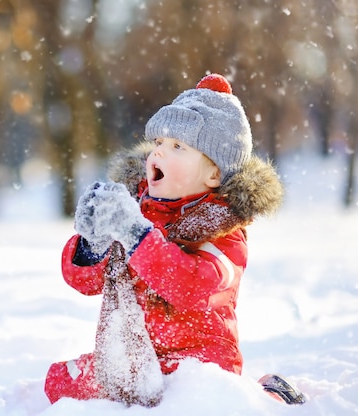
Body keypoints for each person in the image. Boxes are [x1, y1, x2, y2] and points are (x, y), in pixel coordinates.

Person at [44, 74, 288, 404]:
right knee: (59, 383)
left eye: (178, 147)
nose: (159, 153)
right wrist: (93, 242)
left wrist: (134, 235)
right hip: (136, 359)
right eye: (159, 142)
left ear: (214, 174)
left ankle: (263, 396)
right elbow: (85, 282)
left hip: (197, 363)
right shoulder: (136, 210)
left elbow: (190, 286)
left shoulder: (226, 233)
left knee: (195, 402)